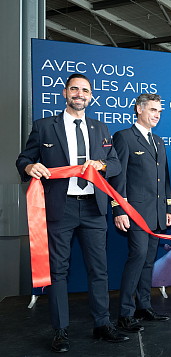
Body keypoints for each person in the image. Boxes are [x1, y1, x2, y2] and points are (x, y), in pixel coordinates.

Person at [15, 73, 128, 352]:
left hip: (93, 207)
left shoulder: (101, 128)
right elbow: (24, 159)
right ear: (65, 93)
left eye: (85, 90)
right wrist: (29, 168)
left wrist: (101, 166)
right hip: (60, 207)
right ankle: (60, 330)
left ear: (91, 96)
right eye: (75, 89)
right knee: (58, 272)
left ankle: (102, 324)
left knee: (99, 271)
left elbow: (115, 165)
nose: (80, 94)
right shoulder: (44, 127)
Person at [109, 93, 171, 333]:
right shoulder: (124, 137)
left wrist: (167, 208)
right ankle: (125, 313)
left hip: (156, 214)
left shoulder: (158, 141)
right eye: (153, 110)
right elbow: (118, 177)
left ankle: (143, 307)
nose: (157, 115)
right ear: (138, 109)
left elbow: (164, 178)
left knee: (148, 262)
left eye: (159, 111)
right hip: (134, 213)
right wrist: (119, 209)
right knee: (137, 259)